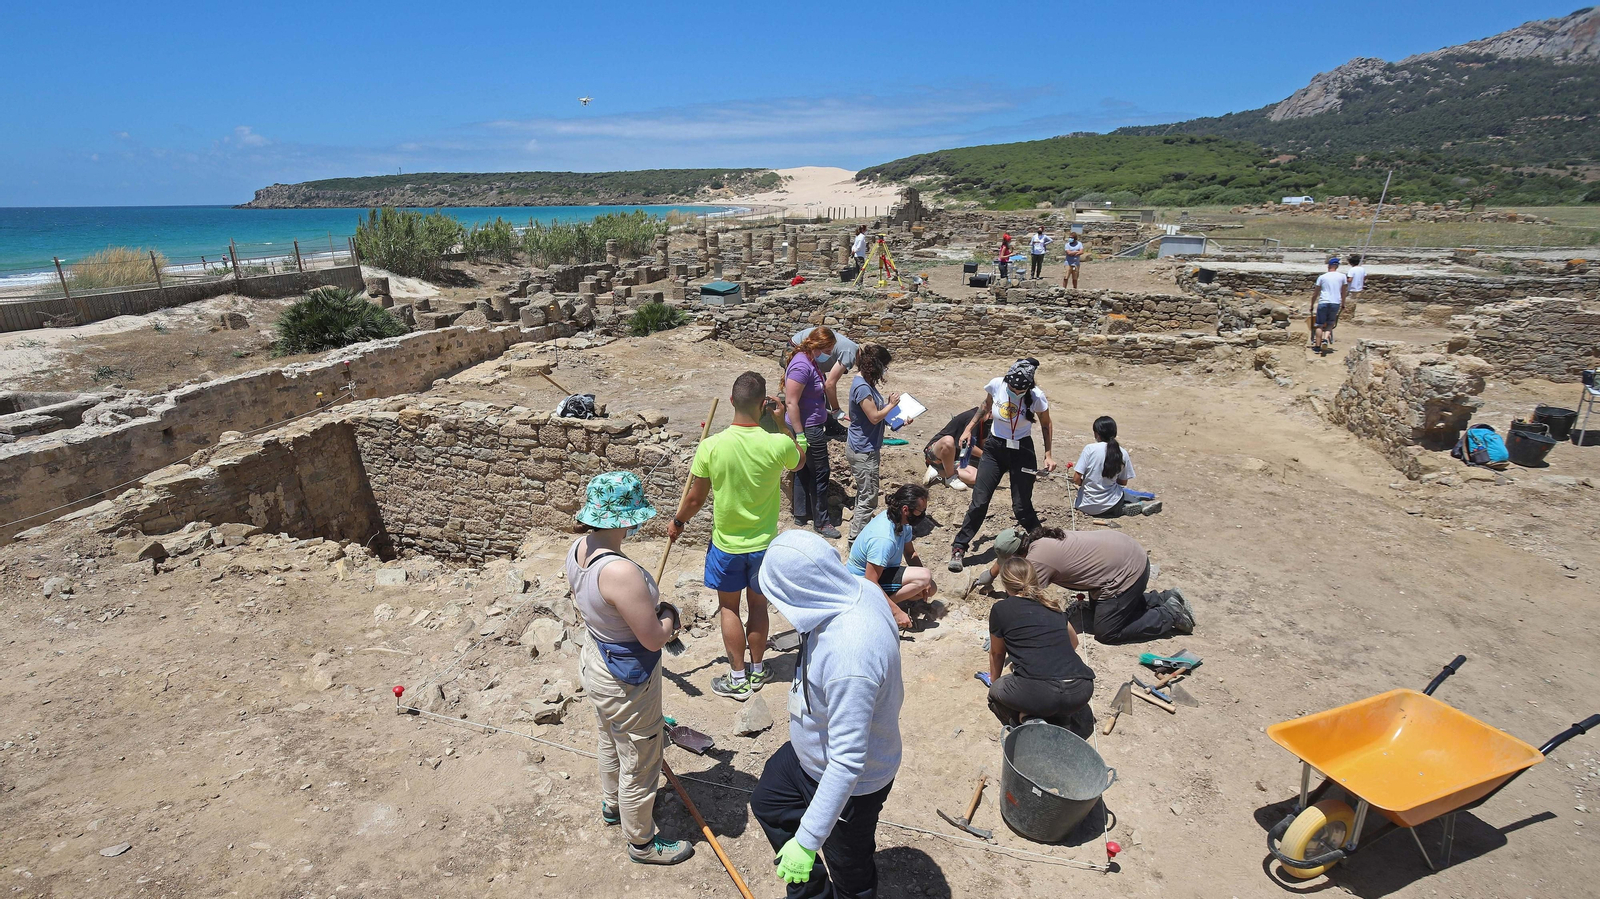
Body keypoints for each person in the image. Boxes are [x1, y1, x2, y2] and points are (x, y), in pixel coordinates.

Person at [750, 530, 903, 899]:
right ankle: (812, 893)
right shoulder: (857, 588)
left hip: (850, 780)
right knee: (769, 802)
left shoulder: (850, 655)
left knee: (851, 872)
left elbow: (849, 761)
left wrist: (806, 841)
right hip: (810, 753)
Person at [566, 472, 693, 865]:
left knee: (610, 738)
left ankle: (612, 804)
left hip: (597, 659)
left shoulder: (578, 547)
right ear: (625, 518)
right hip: (626, 679)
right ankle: (642, 843)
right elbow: (654, 638)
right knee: (641, 757)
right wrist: (671, 614)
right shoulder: (619, 571)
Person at [669, 371, 805, 702]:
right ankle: (759, 670)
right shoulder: (777, 443)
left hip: (727, 545)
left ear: (731, 401)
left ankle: (738, 678)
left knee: (729, 609)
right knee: (758, 606)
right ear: (763, 406)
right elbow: (799, 459)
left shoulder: (712, 446)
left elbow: (695, 500)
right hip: (764, 546)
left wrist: (678, 522)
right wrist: (786, 423)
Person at [991, 526, 1194, 644]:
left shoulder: (1037, 561)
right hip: (1131, 555)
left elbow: (1024, 604)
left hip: (1128, 572)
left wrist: (1004, 631)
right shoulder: (1039, 540)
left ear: (1018, 555)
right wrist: (987, 578)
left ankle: (1169, 614)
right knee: (1100, 611)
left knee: (1107, 631)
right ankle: (1162, 598)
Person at [947, 358, 1056, 573]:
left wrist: (1048, 454)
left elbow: (1046, 423)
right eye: (1012, 386)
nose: (1015, 390)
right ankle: (959, 547)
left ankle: (1046, 547)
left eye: (1020, 388)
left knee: (1021, 505)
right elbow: (985, 405)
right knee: (979, 501)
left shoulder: (1036, 397)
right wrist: (968, 428)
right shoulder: (997, 384)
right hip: (995, 448)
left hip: (1022, 450)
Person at [986, 556, 1096, 738]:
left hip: (1040, 693)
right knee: (1049, 696)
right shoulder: (1052, 606)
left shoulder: (1001, 609)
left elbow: (997, 653)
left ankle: (1027, 720)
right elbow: (1074, 642)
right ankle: (1060, 719)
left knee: (996, 693)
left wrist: (994, 682)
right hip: (1081, 690)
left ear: (1006, 585)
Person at [846, 484, 936, 630]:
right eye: (920, 511)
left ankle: (886, 603)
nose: (923, 515)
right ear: (906, 509)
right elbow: (870, 580)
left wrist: (925, 583)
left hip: (882, 572)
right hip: (861, 583)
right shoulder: (884, 538)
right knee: (924, 577)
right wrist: (896, 612)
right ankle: (881, 610)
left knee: (929, 586)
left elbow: (910, 553)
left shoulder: (902, 522)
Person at [784, 327, 842, 539]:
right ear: (820, 346)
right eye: (829, 349)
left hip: (809, 424)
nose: (831, 353)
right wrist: (800, 435)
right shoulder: (801, 365)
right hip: (807, 428)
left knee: (803, 469)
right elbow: (791, 402)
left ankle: (802, 513)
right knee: (820, 472)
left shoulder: (809, 361)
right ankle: (822, 522)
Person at [845, 344, 906, 540]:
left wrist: (900, 419)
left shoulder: (866, 384)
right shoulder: (862, 388)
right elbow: (873, 417)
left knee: (864, 493)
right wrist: (891, 405)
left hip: (865, 447)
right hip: (864, 450)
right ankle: (856, 539)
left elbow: (877, 416)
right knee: (869, 499)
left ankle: (860, 530)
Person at [1071, 416, 1159, 517]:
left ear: (1096, 433)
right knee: (1122, 492)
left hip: (1085, 505)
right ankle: (1135, 506)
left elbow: (1076, 479)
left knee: (1120, 493)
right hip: (1111, 504)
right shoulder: (1122, 453)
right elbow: (1123, 482)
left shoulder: (1089, 449)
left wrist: (1085, 483)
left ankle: (1125, 508)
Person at [790, 326, 860, 435]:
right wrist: (836, 409)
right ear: (816, 347)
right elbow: (830, 384)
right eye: (827, 351)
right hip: (794, 345)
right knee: (805, 393)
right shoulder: (801, 365)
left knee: (818, 386)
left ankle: (829, 424)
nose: (829, 355)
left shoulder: (818, 354)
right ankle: (801, 429)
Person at [923, 406, 990, 491]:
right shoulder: (972, 418)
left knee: (976, 476)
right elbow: (968, 446)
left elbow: (984, 445)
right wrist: (987, 456)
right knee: (948, 441)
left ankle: (939, 472)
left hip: (953, 460)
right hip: (937, 452)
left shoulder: (984, 424)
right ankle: (950, 478)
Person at [1311, 257, 1348, 355]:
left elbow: (1315, 293)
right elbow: (1344, 292)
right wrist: (1343, 303)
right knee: (1330, 323)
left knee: (1319, 324)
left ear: (1329, 266)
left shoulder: (1322, 277)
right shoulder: (1342, 277)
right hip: (1335, 302)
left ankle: (1317, 347)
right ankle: (1325, 339)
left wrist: (1311, 304)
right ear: (1337, 266)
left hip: (1323, 302)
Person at [1346, 252, 1366, 318]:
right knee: (1355, 301)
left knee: (1349, 301)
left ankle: (1348, 315)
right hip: (1359, 287)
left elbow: (1350, 280)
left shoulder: (1352, 270)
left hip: (1352, 288)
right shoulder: (1362, 269)